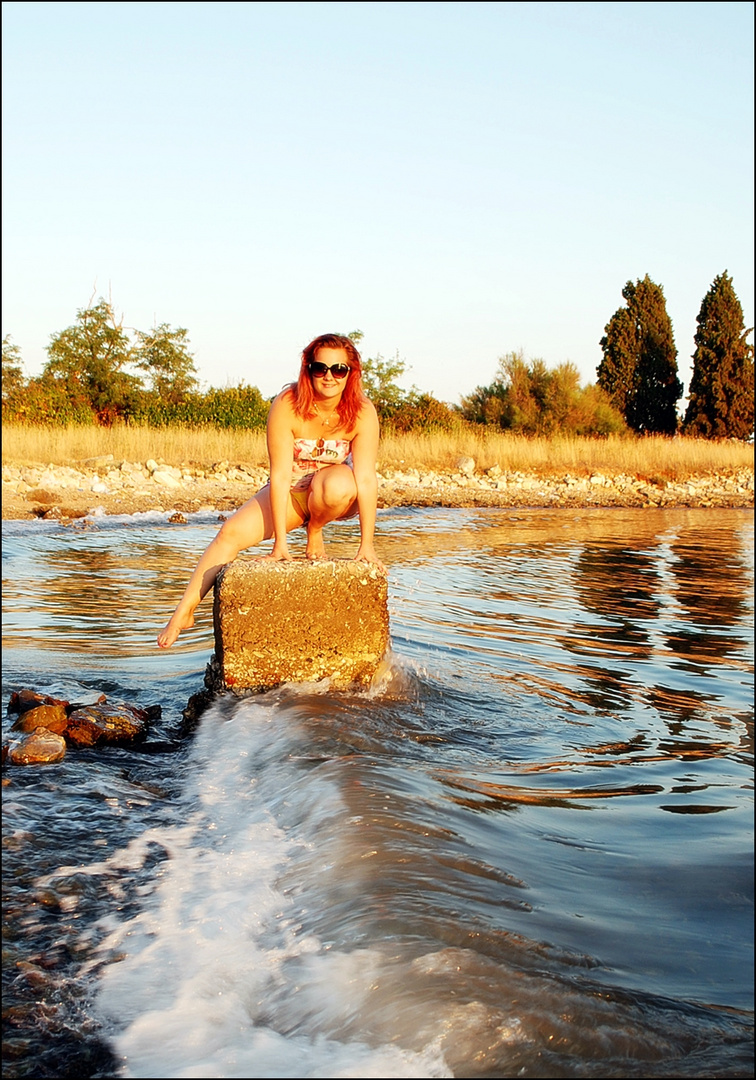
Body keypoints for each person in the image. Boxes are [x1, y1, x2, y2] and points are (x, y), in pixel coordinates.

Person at [157, 333, 386, 648]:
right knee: (230, 533)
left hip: (337, 495)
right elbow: (278, 476)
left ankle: (315, 530)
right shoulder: (288, 404)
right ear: (307, 368)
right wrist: (280, 545)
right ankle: (184, 611)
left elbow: (366, 478)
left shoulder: (362, 411)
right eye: (320, 368)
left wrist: (367, 547)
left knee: (336, 484)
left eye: (338, 369)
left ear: (351, 372)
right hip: (293, 490)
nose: (329, 376)